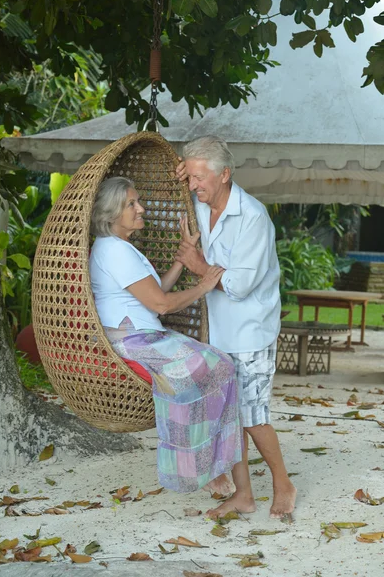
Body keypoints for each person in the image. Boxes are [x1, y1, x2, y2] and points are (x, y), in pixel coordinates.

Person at [89, 176, 243, 495]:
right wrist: (202, 286)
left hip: (140, 335)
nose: (141, 208)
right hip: (133, 340)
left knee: (220, 367)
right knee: (213, 369)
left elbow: (155, 293)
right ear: (112, 212)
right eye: (132, 203)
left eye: (138, 201)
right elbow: (160, 304)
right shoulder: (114, 251)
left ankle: (208, 466)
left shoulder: (117, 248)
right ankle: (199, 468)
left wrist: (181, 258)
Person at [175, 136, 297, 519]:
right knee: (228, 418)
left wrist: (197, 265)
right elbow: (161, 202)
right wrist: (177, 174)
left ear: (225, 174)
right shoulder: (198, 203)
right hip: (216, 333)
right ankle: (243, 495)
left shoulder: (253, 217)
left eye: (200, 177)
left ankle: (283, 483)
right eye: (190, 177)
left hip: (250, 331)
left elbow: (240, 286)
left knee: (252, 416)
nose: (194, 185)